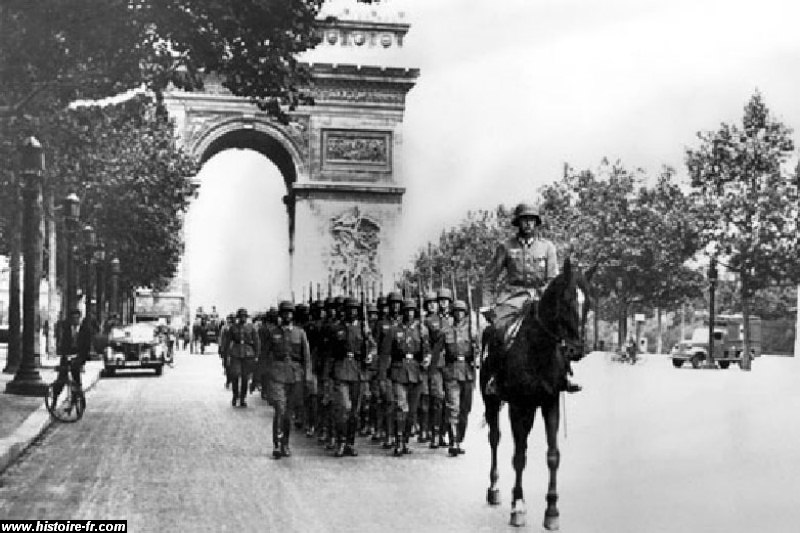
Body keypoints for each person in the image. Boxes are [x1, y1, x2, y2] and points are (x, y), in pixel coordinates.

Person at [484, 202, 581, 393]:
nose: (528, 224)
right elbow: (489, 277)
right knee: (498, 330)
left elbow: (553, 279)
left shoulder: (547, 248)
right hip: (512, 298)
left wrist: (546, 297)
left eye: (531, 220)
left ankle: (563, 375)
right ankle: (496, 376)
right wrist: (487, 305)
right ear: (518, 223)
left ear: (536, 223)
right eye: (524, 220)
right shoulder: (506, 247)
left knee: (560, 328)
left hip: (541, 297)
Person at [262, 301, 313, 459]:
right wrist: (264, 377)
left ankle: (285, 443)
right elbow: (265, 356)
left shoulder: (300, 333)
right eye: (284, 313)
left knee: (288, 412)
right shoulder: (273, 333)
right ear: (280, 315)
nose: (287, 316)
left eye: (290, 313)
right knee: (280, 408)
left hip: (295, 375)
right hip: (277, 374)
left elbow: (306, 357)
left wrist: (308, 377)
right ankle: (277, 444)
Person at [330, 297, 374, 457]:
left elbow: (372, 346)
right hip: (341, 370)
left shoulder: (364, 328)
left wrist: (369, 355)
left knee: (354, 411)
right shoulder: (336, 328)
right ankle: (340, 441)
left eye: (355, 309)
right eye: (349, 309)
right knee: (344, 408)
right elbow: (330, 351)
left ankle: (350, 442)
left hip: (358, 371)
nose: (352, 312)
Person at [389, 298, 430, 456]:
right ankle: (398, 441)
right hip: (399, 371)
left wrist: (426, 358)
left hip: (416, 372)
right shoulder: (394, 329)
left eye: (412, 310)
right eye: (407, 311)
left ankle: (405, 441)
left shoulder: (422, 329)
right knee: (401, 407)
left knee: (412, 411)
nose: (410, 313)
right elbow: (387, 352)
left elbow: (426, 349)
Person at [442, 300, 477, 456]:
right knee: (453, 408)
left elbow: (479, 350)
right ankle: (453, 441)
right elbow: (438, 351)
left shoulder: (472, 330)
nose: (459, 314)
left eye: (461, 311)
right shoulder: (446, 330)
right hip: (451, 371)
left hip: (468, 372)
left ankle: (459, 439)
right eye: (456, 311)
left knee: (465, 409)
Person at [54, 309, 93, 400]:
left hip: (78, 356)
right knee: (61, 380)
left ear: (80, 318)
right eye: (73, 318)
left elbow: (87, 346)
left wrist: (82, 359)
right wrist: (63, 353)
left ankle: (77, 397)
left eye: (77, 318)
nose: (75, 320)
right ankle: (55, 398)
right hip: (67, 356)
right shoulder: (66, 329)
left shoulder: (85, 330)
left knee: (76, 379)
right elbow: (63, 343)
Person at [225, 308, 259, 407]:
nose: (242, 318)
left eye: (244, 316)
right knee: (235, 375)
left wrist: (256, 355)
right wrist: (227, 355)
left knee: (245, 377)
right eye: (241, 316)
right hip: (236, 353)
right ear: (238, 318)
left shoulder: (251, 328)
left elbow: (256, 342)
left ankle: (243, 398)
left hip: (248, 354)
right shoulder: (233, 328)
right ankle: (235, 395)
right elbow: (228, 342)